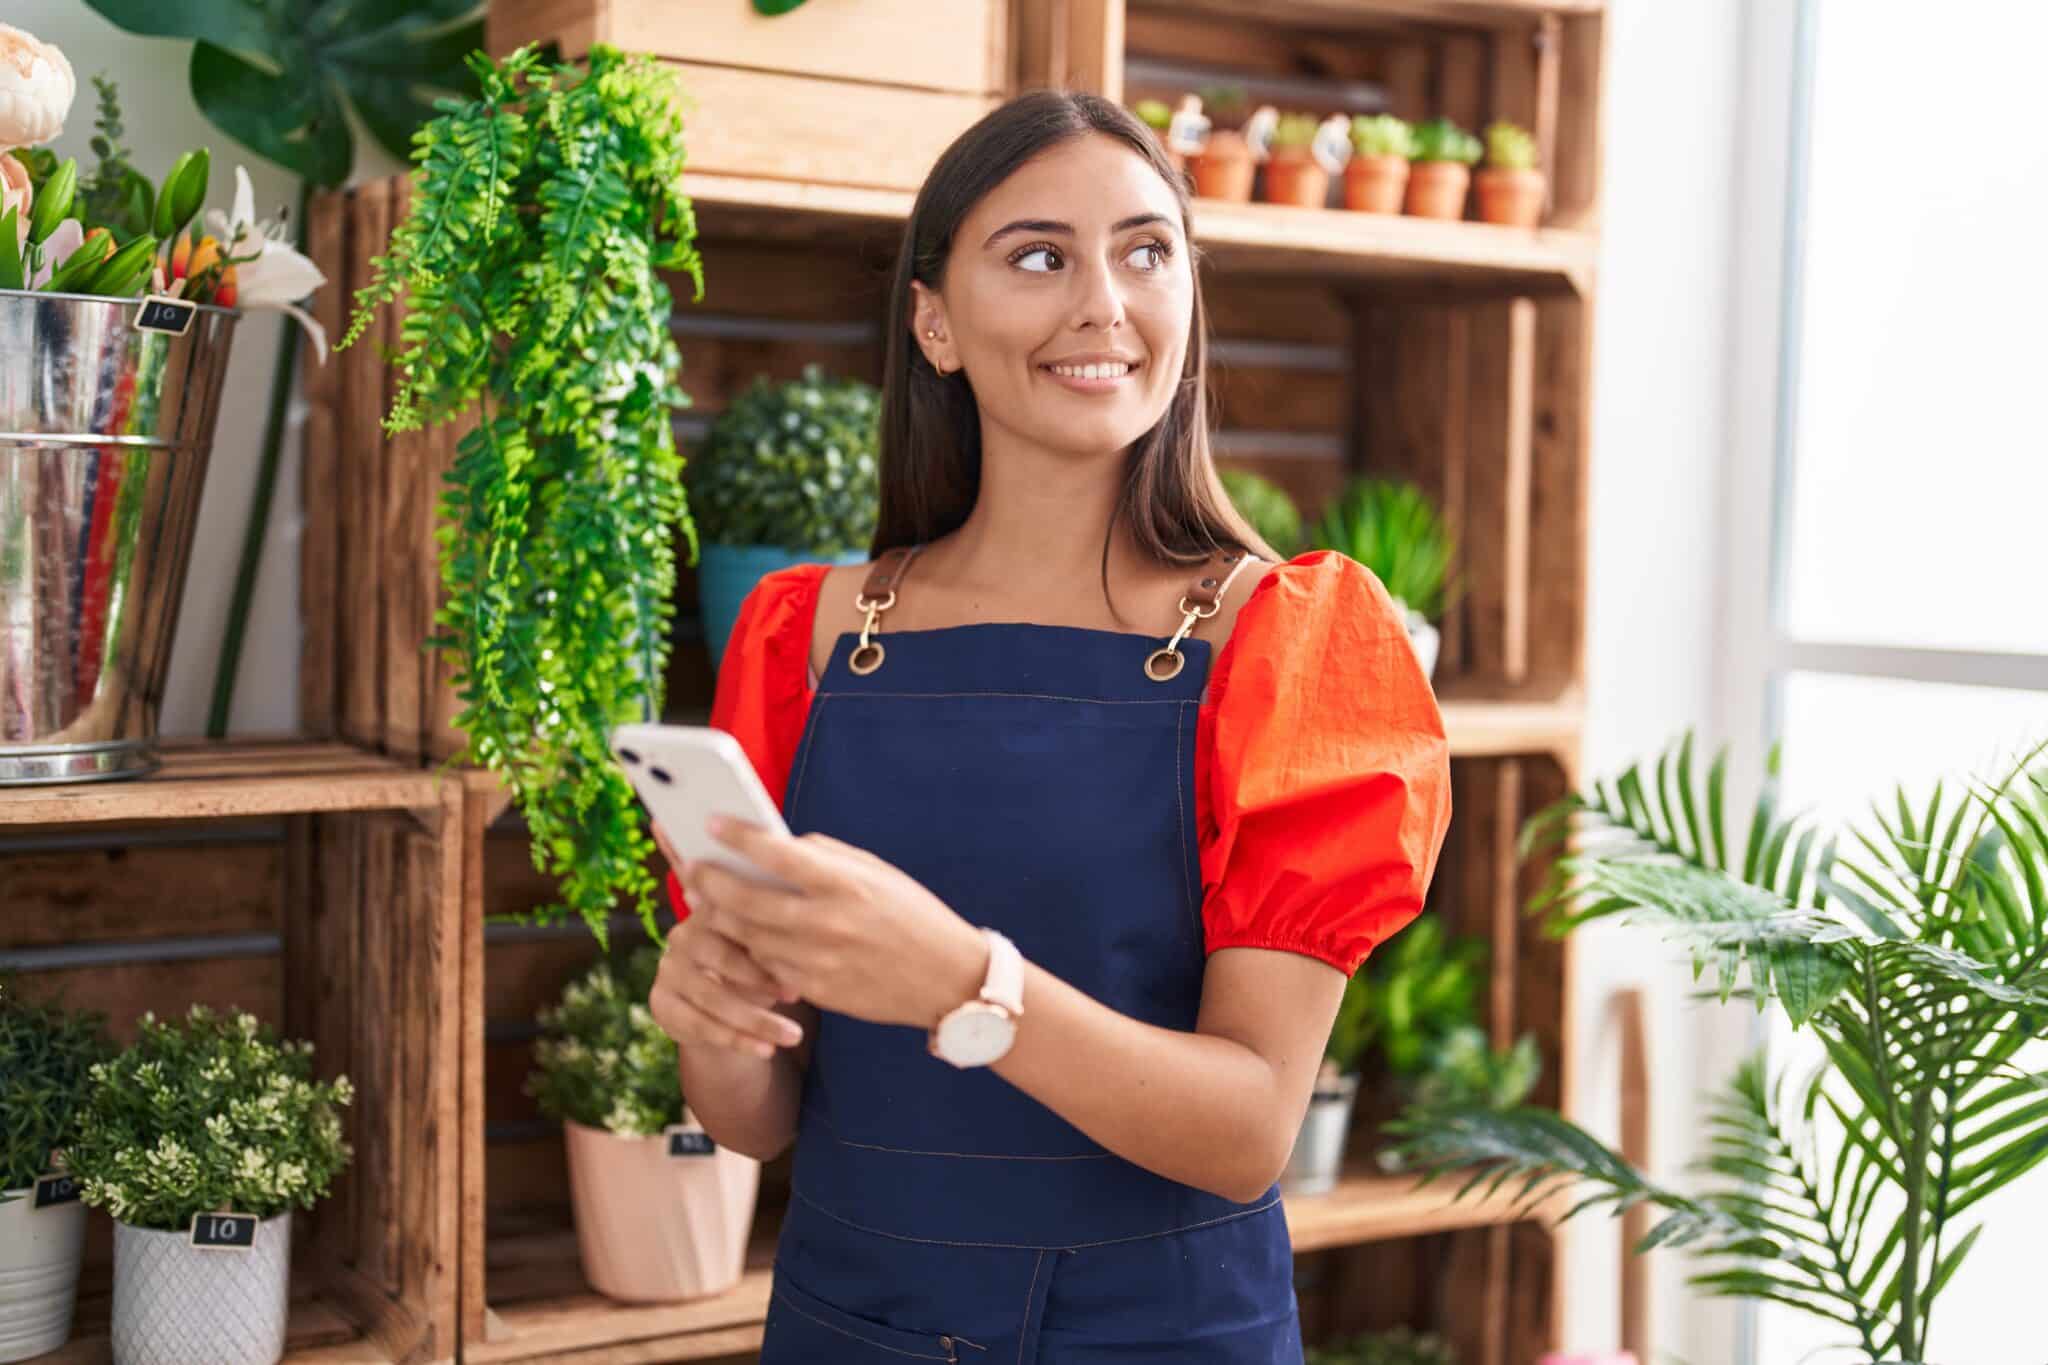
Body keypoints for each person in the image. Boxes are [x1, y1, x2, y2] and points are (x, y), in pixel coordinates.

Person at [648, 87, 1453, 1364]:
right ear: (934, 322)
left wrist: (965, 984)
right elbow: (760, 1121)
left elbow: (1248, 1130)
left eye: (1145, 251)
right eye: (1038, 256)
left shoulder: (1293, 642)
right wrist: (712, 1022)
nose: (1102, 304)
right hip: (850, 1326)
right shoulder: (800, 637)